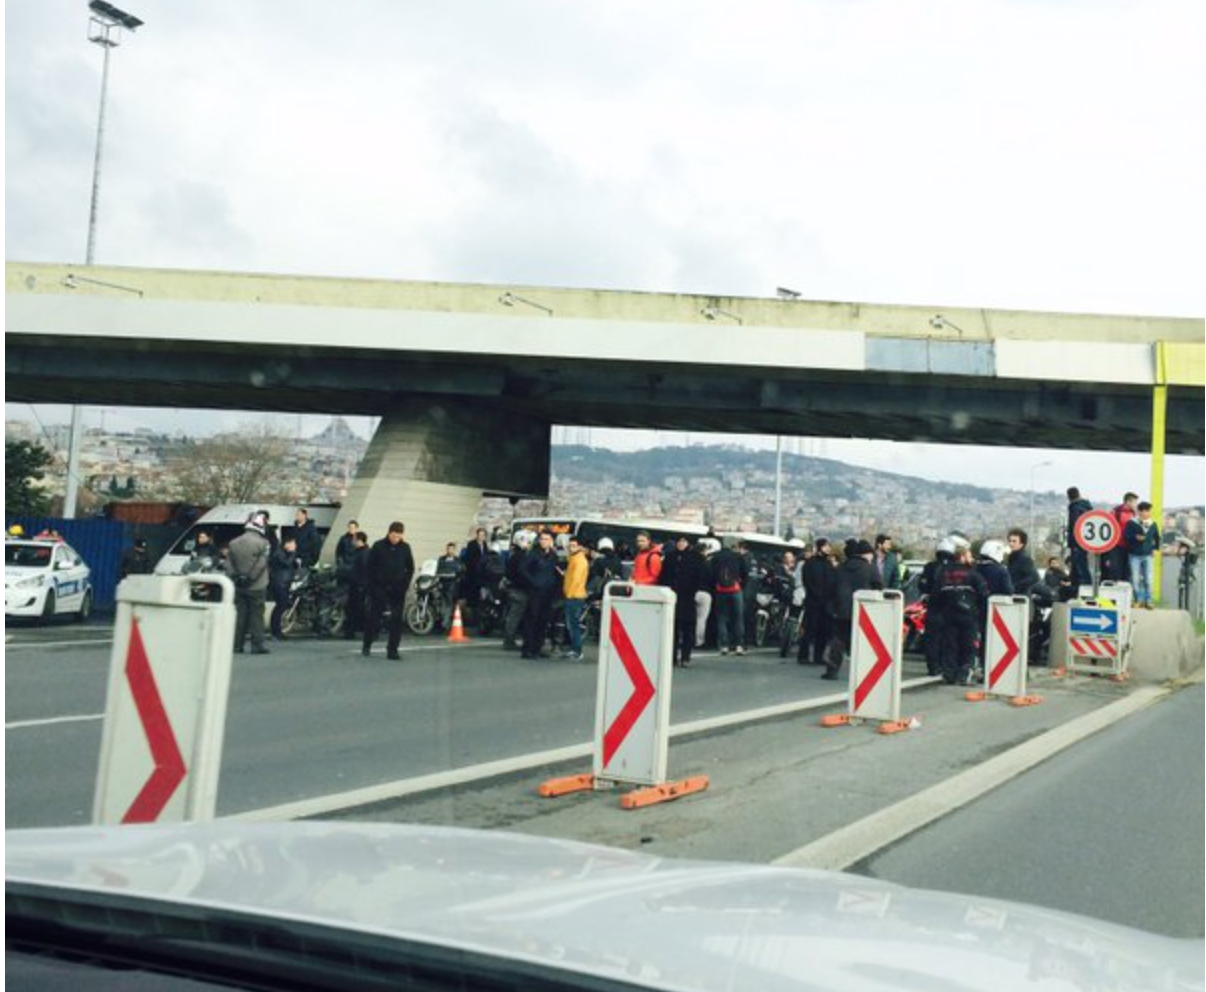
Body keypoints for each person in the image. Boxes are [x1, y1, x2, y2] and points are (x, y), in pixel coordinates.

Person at [823, 539, 882, 680]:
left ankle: (832, 670)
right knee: (863, 642)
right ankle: (862, 673)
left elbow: (830, 588)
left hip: (841, 611)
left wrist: (832, 608)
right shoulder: (870, 568)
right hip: (863, 611)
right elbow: (879, 587)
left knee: (838, 640)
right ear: (866, 554)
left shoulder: (841, 567)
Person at [931, 544, 988, 685]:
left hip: (948, 615)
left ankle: (949, 674)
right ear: (962, 557)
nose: (972, 558)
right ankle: (964, 674)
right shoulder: (973, 574)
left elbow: (935, 596)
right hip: (969, 616)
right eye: (969, 555)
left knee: (950, 645)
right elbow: (984, 595)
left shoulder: (943, 574)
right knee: (969, 646)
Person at [362, 521, 415, 660]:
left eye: (399, 536)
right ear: (389, 532)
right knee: (374, 617)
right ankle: (367, 643)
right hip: (380, 587)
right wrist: (372, 586)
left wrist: (405, 584)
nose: (396, 539)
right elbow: (370, 567)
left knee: (396, 620)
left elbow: (410, 568)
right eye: (394, 536)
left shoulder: (405, 548)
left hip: (398, 589)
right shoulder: (378, 546)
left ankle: (392, 650)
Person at [660, 534, 709, 667]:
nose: (681, 544)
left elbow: (702, 577)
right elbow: (663, 576)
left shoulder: (696, 558)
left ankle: (686, 657)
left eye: (684, 541)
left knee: (688, 628)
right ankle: (673, 657)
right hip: (673, 596)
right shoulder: (670, 557)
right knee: (673, 628)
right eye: (679, 541)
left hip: (688, 597)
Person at [227, 513, 272, 655]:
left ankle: (236, 645)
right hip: (257, 585)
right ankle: (257, 645)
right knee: (256, 615)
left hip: (239, 585)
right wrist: (250, 578)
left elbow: (228, 564)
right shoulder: (264, 543)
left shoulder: (233, 543)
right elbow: (261, 564)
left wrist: (237, 577)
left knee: (240, 614)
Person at [519, 530, 560, 659]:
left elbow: (554, 571)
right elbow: (522, 570)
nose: (544, 541)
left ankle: (537, 647)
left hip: (548, 593)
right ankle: (528, 649)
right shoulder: (533, 554)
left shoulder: (553, 555)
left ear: (551, 541)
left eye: (547, 539)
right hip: (535, 592)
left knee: (543, 621)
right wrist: (534, 582)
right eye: (542, 539)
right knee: (532, 620)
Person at [799, 538, 835, 666]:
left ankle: (818, 657)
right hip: (813, 602)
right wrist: (816, 594)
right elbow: (807, 581)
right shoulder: (810, 563)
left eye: (829, 546)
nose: (828, 549)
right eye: (826, 546)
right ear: (820, 548)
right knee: (809, 629)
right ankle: (803, 656)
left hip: (826, 604)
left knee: (823, 631)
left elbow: (833, 582)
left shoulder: (829, 564)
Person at [710, 538, 749, 656]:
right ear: (733, 545)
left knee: (721, 618)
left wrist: (716, 584)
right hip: (735, 589)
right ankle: (738, 645)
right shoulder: (738, 556)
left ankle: (724, 646)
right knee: (738, 618)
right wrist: (741, 585)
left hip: (720, 590)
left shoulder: (716, 557)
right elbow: (745, 573)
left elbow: (711, 573)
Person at [1124, 501, 1160, 609]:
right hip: (1134, 555)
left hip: (1148, 555)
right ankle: (1137, 600)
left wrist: (1155, 549)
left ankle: (1148, 601)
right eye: (1145, 511)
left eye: (1149, 511)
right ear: (1140, 512)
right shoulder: (1131, 523)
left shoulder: (1152, 524)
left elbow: (1157, 538)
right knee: (1135, 579)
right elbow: (1126, 536)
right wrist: (1135, 537)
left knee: (1148, 579)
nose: (1148, 513)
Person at [502, 530, 533, 651]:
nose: (528, 544)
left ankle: (509, 639)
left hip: (513, 589)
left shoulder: (513, 554)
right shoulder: (520, 556)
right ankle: (509, 641)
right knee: (515, 616)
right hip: (519, 590)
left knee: (513, 615)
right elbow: (521, 574)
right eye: (527, 541)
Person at [560, 536, 589, 661]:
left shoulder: (579, 560)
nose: (571, 548)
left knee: (573, 625)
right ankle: (574, 649)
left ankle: (577, 651)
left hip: (574, 596)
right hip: (574, 595)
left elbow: (576, 580)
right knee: (572, 625)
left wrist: (568, 594)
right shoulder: (574, 558)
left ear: (580, 547)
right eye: (569, 546)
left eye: (574, 546)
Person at [268, 537, 299, 641]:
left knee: (281, 606)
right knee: (280, 607)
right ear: (287, 544)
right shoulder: (279, 553)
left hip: (284, 583)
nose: (295, 546)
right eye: (293, 544)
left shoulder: (284, 553)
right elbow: (286, 563)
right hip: (279, 583)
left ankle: (277, 631)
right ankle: (275, 631)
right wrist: (293, 553)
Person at [343, 531, 370, 640]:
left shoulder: (364, 553)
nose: (352, 541)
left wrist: (362, 584)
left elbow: (364, 570)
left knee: (357, 609)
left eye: (354, 539)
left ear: (359, 540)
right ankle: (351, 631)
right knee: (353, 608)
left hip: (359, 585)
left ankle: (360, 630)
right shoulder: (359, 551)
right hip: (355, 584)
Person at [1066, 487, 1094, 591]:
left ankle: (1083, 588)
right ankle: (1079, 586)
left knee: (1079, 566)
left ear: (1069, 497)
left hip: (1076, 541)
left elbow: (1075, 525)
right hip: (1085, 541)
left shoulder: (1075, 507)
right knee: (1080, 565)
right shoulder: (1087, 506)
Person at [694, 538, 720, 648]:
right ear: (705, 551)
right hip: (705, 593)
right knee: (701, 619)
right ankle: (699, 641)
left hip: (692, 592)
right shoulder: (707, 564)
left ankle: (689, 639)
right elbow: (712, 579)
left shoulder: (691, 562)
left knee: (692, 618)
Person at [1108, 493, 1139, 582]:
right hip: (1116, 545)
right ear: (1128, 501)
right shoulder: (1116, 512)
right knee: (1115, 569)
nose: (1136, 505)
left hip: (1129, 546)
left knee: (1128, 571)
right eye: (1135, 502)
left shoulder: (1134, 513)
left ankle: (1125, 591)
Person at [461, 527, 490, 613]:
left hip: (482, 572)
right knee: (472, 593)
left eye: (483, 535)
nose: (481, 537)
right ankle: (471, 611)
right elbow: (468, 558)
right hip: (473, 572)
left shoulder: (485, 544)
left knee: (480, 594)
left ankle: (478, 611)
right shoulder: (472, 544)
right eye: (480, 535)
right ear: (477, 535)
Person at [1005, 528, 1041, 595]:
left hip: (1020, 599)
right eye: (1009, 541)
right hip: (1012, 597)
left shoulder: (1024, 559)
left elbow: (1034, 577)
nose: (1011, 543)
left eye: (1014, 541)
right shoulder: (1012, 558)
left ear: (1021, 544)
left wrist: (1015, 587)